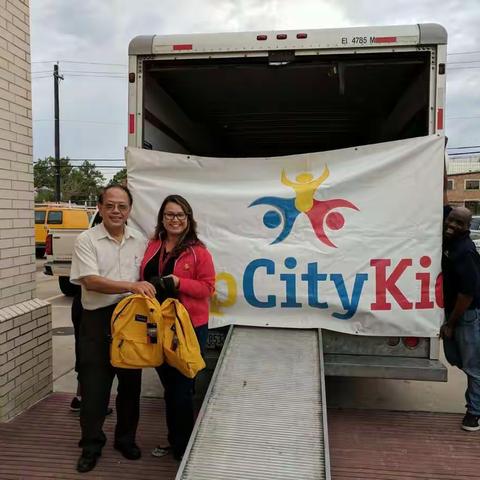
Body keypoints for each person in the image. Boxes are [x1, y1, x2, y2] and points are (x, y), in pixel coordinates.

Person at [70, 184, 156, 473]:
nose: (116, 211)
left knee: (130, 386)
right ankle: (91, 446)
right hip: (96, 321)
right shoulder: (86, 240)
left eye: (122, 206)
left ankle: (126, 439)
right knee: (95, 388)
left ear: (130, 209)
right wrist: (131, 286)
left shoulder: (140, 240)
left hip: (131, 322)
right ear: (100, 207)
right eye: (110, 205)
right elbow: (91, 281)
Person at [139, 194, 215, 461]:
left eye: (180, 215)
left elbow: (208, 288)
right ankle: (179, 440)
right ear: (162, 217)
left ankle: (183, 447)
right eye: (170, 214)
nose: (175, 220)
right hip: (156, 325)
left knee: (181, 389)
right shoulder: (152, 246)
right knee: (170, 387)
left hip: (187, 328)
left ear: (188, 219)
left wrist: (178, 282)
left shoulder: (198, 252)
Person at [440, 206, 480, 431]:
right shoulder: (451, 243)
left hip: (466, 315)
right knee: (457, 358)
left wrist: (451, 323)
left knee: (473, 367)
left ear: (467, 227)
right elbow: (442, 200)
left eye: (458, 223)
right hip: (454, 313)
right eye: (451, 220)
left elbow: (467, 294)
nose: (452, 225)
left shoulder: (465, 251)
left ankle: (474, 413)